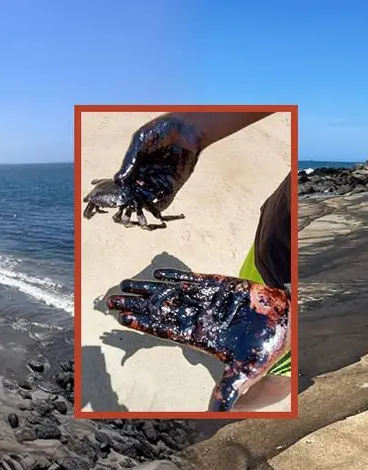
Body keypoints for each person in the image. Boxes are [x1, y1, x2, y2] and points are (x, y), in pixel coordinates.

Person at [104, 112, 292, 412]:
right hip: (271, 248)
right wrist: (191, 130)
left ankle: (239, 406)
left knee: (280, 375)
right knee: (243, 293)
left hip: (289, 306)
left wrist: (289, 318)